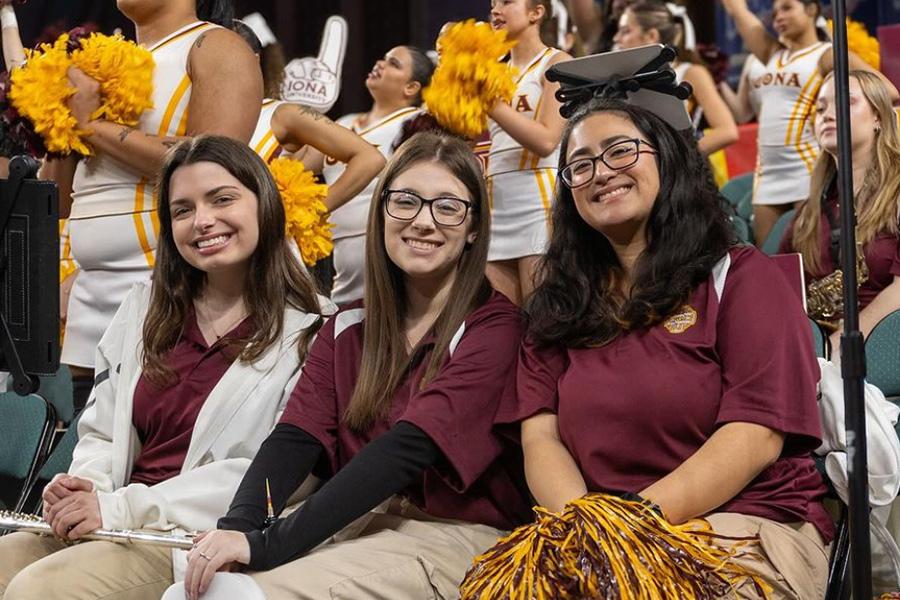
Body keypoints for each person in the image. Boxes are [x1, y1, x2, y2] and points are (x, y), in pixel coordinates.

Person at [161, 132, 531, 600]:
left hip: (460, 534)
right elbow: (296, 437)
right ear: (380, 214)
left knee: (229, 596)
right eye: (406, 202)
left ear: (474, 226)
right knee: (194, 590)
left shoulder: (495, 328)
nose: (423, 221)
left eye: (448, 207)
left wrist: (267, 546)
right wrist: (235, 530)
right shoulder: (346, 324)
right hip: (364, 525)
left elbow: (407, 449)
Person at [507, 97, 833, 598]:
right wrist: (590, 530)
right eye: (580, 165)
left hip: (743, 523)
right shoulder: (557, 304)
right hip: (596, 534)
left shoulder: (741, 277)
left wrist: (634, 527)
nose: (601, 172)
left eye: (620, 150)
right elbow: (540, 439)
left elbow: (755, 435)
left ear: (666, 157)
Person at [0, 136, 329, 599]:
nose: (203, 221)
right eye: (182, 210)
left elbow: (267, 474)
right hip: (115, 517)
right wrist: (83, 490)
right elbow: (101, 432)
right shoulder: (144, 310)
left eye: (222, 199)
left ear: (265, 204)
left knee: (40, 589)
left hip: (194, 538)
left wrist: (118, 509)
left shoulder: (314, 332)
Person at [57, 0, 263, 410]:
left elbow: (214, 165)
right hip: (87, 301)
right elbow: (61, 199)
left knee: (153, 463)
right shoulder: (105, 61)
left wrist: (88, 125)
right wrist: (54, 123)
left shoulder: (214, 45)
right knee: (83, 461)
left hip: (167, 294)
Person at [719, 0, 896, 246]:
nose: (778, 16)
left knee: (811, 256)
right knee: (770, 260)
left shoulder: (825, 54)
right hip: (767, 173)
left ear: (811, 10)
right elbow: (737, 9)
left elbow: (888, 91)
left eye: (788, 8)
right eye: (775, 11)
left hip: (808, 170)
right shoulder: (769, 53)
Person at [297, 45, 433, 305]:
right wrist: (304, 109)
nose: (380, 63)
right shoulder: (344, 123)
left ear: (411, 88)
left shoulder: (417, 123)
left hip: (387, 246)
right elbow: (297, 168)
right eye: (382, 57)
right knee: (347, 326)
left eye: (393, 63)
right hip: (338, 251)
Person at [779, 70, 900, 355]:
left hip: (881, 353)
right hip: (817, 353)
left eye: (845, 103)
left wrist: (837, 346)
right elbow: (780, 283)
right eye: (820, 108)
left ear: (878, 118)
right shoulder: (810, 210)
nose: (828, 115)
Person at [232, 21, 385, 213]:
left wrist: (308, 214)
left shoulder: (282, 115)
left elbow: (370, 158)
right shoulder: (193, 116)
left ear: (252, 59)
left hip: (267, 240)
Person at [487, 0, 572, 305]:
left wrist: (490, 104)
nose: (496, 10)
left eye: (507, 2)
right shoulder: (492, 70)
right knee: (500, 321)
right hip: (495, 199)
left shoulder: (555, 62)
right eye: (492, 4)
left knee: (540, 317)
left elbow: (548, 139)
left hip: (538, 199)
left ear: (537, 12)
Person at [613, 1, 739, 156]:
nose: (616, 38)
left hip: (681, 176)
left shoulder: (690, 72)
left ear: (652, 35)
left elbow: (727, 131)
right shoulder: (622, 79)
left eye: (625, 31)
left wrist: (681, 161)